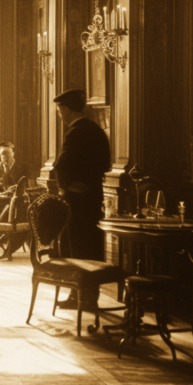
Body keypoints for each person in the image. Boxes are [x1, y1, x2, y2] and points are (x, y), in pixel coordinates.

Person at [52, 89, 111, 308]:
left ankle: (80, 296)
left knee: (77, 248)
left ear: (65, 109)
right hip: (94, 197)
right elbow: (105, 164)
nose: (60, 116)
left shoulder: (75, 131)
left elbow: (61, 165)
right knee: (90, 247)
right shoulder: (96, 130)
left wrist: (67, 185)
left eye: (59, 111)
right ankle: (86, 296)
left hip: (77, 202)